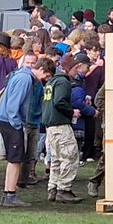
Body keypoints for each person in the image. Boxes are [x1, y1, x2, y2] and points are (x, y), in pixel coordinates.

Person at [0, 54, 40, 209]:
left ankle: (7, 193)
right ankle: (10, 195)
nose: (45, 79)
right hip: (10, 121)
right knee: (16, 160)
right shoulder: (25, 79)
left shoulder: (20, 75)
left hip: (5, 119)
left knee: (13, 159)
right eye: (46, 75)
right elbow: (13, 105)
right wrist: (17, 125)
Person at [39, 50, 80, 203]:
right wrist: (71, 112)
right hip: (60, 124)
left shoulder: (51, 81)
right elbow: (59, 101)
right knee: (70, 156)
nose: (77, 72)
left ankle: (53, 187)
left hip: (50, 126)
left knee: (55, 158)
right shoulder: (63, 81)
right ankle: (64, 188)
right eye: (76, 68)